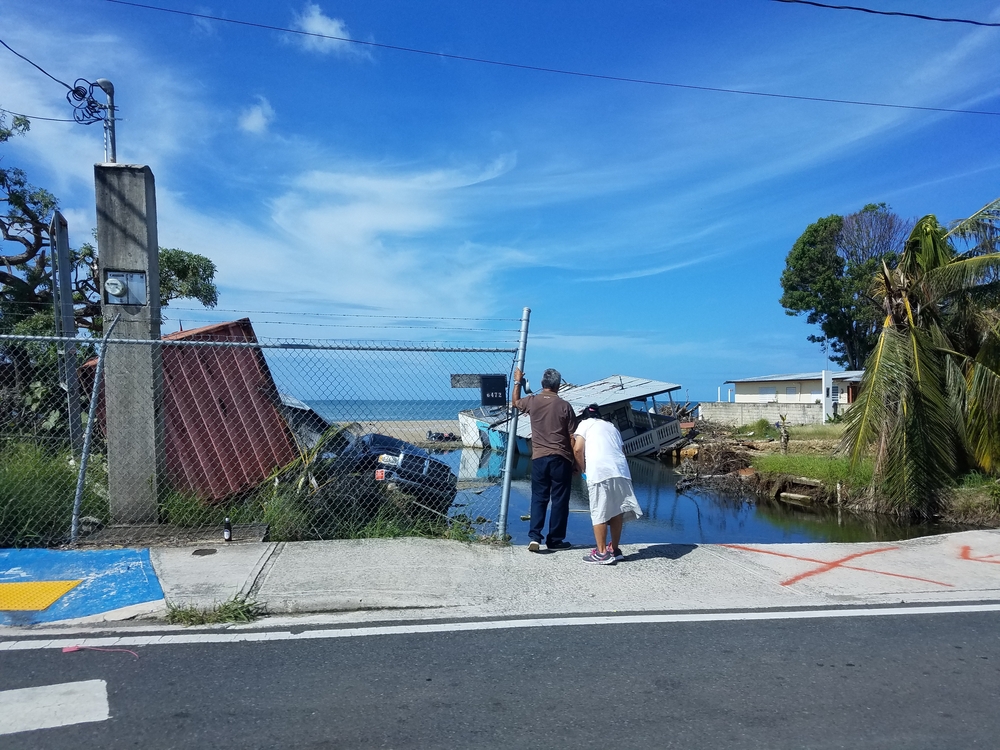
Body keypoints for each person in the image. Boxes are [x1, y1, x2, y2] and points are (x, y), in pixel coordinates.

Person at [512, 366, 576, 552]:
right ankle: (555, 539)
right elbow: (573, 437)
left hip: (539, 457)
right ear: (558, 386)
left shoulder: (532, 401)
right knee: (560, 500)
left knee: (539, 497)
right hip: (561, 458)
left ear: (542, 384)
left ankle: (534, 536)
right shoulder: (565, 406)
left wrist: (518, 381)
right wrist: (576, 462)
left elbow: (515, 402)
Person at [572, 403, 643, 565]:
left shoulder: (584, 424)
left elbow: (577, 449)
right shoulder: (612, 427)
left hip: (600, 472)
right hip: (621, 470)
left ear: (585, 416)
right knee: (616, 510)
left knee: (599, 511)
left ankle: (602, 552)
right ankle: (615, 549)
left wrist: (583, 469)